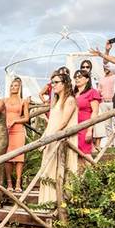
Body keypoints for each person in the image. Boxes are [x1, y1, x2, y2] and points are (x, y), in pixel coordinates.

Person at [37, 71, 78, 205]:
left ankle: (58, 200)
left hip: (60, 138)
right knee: (47, 170)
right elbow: (51, 123)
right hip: (51, 137)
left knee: (59, 169)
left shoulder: (70, 100)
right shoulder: (55, 101)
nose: (52, 85)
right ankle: (47, 201)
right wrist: (43, 139)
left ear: (65, 83)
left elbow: (64, 122)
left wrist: (51, 136)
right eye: (52, 82)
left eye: (56, 82)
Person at [3, 77, 30, 192]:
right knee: (7, 157)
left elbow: (27, 118)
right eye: (12, 85)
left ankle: (18, 183)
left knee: (19, 158)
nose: (13, 87)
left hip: (18, 130)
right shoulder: (4, 100)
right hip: (7, 130)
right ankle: (9, 183)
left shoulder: (23, 101)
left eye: (16, 86)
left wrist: (15, 121)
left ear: (19, 88)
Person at [73, 70, 101, 156]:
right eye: (76, 77)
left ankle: (93, 169)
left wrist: (89, 130)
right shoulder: (73, 94)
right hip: (73, 126)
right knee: (74, 153)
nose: (77, 79)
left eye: (80, 77)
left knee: (85, 153)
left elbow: (95, 111)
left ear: (87, 79)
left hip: (85, 125)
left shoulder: (92, 92)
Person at [97, 64, 115, 148]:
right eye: (104, 68)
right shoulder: (102, 79)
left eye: (107, 68)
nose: (105, 69)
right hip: (104, 102)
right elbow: (99, 90)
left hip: (113, 102)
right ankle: (110, 142)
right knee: (107, 124)